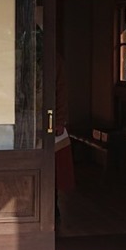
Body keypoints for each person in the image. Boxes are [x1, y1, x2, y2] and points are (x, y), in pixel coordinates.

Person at [54, 51, 75, 226]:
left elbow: (61, 91)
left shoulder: (55, 60)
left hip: (50, 120)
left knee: (53, 166)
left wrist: (60, 120)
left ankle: (53, 205)